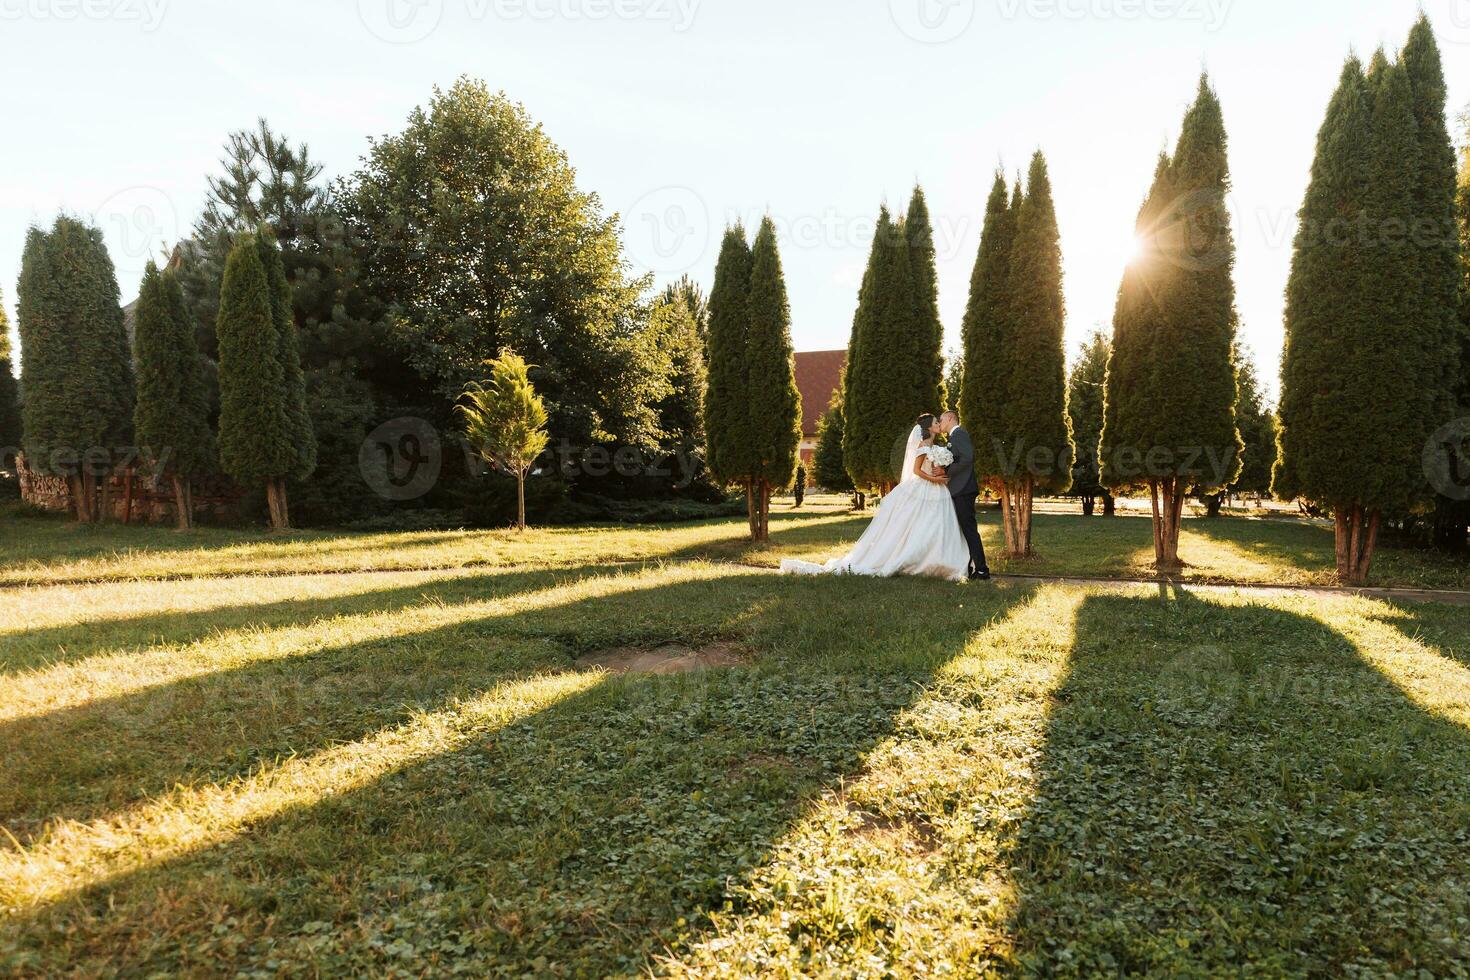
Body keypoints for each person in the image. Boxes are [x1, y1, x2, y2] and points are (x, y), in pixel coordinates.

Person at [779, 414, 972, 582]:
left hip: (937, 490)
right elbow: (916, 471)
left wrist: (941, 473)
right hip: (925, 486)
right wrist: (934, 478)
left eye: (940, 422)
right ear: (929, 427)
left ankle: (939, 560)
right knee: (920, 524)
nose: (939, 424)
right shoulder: (922, 445)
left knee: (937, 525)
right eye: (936, 422)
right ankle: (916, 560)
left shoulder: (936, 446)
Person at [935, 410, 991, 582]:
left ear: (951, 418)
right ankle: (971, 567)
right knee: (964, 530)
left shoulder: (959, 434)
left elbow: (967, 458)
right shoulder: (953, 437)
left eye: (942, 419)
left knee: (969, 530)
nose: (940, 422)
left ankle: (982, 570)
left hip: (964, 490)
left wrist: (946, 470)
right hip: (959, 489)